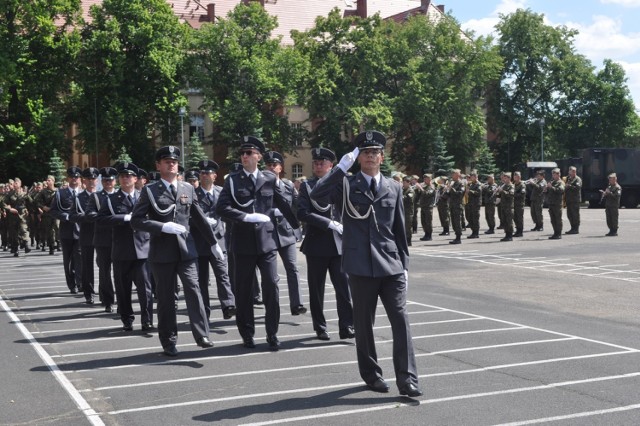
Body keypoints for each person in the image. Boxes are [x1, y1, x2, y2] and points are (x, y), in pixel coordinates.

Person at [311, 130, 422, 398]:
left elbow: (399, 231)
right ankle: (371, 375)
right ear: (358, 157)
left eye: (375, 152)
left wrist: (404, 266)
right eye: (365, 152)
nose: (371, 156)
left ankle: (407, 380)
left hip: (391, 264)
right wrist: (340, 168)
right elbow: (317, 195)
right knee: (363, 323)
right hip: (360, 265)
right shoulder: (346, 184)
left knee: (400, 320)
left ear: (382, 157)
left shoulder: (393, 187)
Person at [131, 146, 224, 356]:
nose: (171, 164)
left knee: (194, 289)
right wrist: (162, 227)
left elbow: (199, 218)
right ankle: (169, 341)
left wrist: (213, 243)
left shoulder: (187, 189)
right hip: (162, 253)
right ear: (158, 165)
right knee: (166, 299)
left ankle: (202, 334)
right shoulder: (150, 190)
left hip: (186, 251)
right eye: (166, 161)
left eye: (173, 161)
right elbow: (136, 221)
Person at [216, 136, 300, 350]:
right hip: (243, 243)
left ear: (258, 156)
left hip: (267, 242)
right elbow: (222, 208)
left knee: (271, 285)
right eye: (242, 153)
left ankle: (272, 332)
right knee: (244, 291)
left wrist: (297, 224)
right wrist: (244, 217)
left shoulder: (269, 178)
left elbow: (282, 202)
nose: (244, 156)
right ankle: (247, 333)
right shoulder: (233, 180)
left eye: (249, 153)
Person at [297, 147, 354, 341]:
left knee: (343, 288)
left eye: (322, 163)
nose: (318, 166)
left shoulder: (341, 183)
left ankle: (347, 325)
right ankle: (320, 327)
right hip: (316, 244)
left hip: (339, 244)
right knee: (317, 290)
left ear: (332, 166)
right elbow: (302, 213)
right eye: (315, 163)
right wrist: (328, 223)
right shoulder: (307, 186)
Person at [98, 162, 154, 331]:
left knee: (145, 289)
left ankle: (147, 319)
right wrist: (123, 218)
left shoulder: (144, 196)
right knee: (123, 289)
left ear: (136, 179)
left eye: (128, 176)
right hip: (122, 250)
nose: (125, 179)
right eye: (122, 176)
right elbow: (100, 220)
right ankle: (127, 319)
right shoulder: (111, 199)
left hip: (143, 250)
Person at [263, 151, 308, 315]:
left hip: (286, 233)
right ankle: (273, 307)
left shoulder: (288, 185)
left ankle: (297, 304)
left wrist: (298, 222)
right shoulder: (260, 185)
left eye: (274, 165)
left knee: (292, 269)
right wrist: (272, 212)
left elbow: (297, 204)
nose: (271, 168)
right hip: (268, 235)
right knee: (271, 274)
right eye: (268, 165)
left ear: (280, 168)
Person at [193, 159, 236, 321]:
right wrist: (202, 221)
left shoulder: (221, 192)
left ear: (214, 176)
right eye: (202, 173)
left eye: (208, 173)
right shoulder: (193, 194)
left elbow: (228, 211)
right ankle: (205, 311)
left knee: (223, 274)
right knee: (202, 280)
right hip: (200, 242)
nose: (205, 175)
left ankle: (228, 305)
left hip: (218, 241)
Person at [85, 167, 118, 312]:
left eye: (110, 180)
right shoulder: (96, 197)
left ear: (115, 181)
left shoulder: (119, 195)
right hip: (103, 239)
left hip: (119, 239)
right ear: (101, 182)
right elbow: (89, 214)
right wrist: (104, 218)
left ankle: (121, 299)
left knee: (120, 272)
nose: (108, 183)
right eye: (105, 180)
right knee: (105, 272)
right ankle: (108, 300)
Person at [49, 167, 83, 294]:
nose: (74, 179)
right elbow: (53, 211)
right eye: (72, 177)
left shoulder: (84, 193)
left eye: (76, 177)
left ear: (80, 179)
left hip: (81, 231)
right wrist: (66, 216)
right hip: (67, 231)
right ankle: (71, 284)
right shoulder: (60, 193)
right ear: (68, 178)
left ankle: (80, 282)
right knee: (68, 260)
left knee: (80, 259)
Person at [69, 167, 100, 304]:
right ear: (84, 181)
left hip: (102, 234)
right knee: (87, 266)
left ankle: (106, 293)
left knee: (105, 266)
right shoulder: (78, 198)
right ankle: (89, 293)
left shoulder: (103, 195)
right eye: (88, 179)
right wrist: (87, 217)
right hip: (87, 234)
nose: (91, 181)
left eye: (93, 179)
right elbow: (72, 216)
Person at [34, 176, 58, 254]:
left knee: (57, 227)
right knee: (49, 231)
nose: (47, 182)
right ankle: (51, 247)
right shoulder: (43, 192)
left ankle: (59, 243)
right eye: (47, 180)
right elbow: (36, 201)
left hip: (57, 213)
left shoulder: (58, 191)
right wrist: (43, 207)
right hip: (47, 214)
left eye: (49, 180)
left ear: (53, 181)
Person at [447, 169, 465, 244]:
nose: (452, 176)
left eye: (453, 174)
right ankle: (456, 236)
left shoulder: (461, 184)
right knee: (454, 222)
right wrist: (447, 190)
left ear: (457, 175)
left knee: (457, 222)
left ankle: (458, 238)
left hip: (458, 205)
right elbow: (450, 195)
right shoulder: (453, 183)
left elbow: (460, 194)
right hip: (452, 205)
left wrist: (452, 189)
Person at [546, 168, 565, 240]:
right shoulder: (552, 182)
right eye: (552, 174)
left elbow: (560, 190)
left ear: (558, 174)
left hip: (557, 203)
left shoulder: (561, 182)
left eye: (554, 174)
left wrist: (552, 187)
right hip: (551, 203)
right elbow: (549, 192)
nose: (553, 176)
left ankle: (559, 233)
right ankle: (555, 233)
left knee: (558, 219)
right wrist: (546, 189)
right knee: (552, 219)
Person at [496, 172, 515, 241]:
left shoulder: (511, 186)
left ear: (509, 178)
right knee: (504, 221)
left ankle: (510, 236)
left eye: (506, 178)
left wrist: (503, 191)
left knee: (509, 221)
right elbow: (500, 195)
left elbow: (511, 194)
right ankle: (506, 234)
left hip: (509, 207)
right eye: (504, 178)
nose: (504, 179)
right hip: (503, 206)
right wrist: (498, 192)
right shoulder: (504, 185)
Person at [564, 166, 582, 234]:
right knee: (569, 215)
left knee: (575, 215)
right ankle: (572, 227)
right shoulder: (568, 179)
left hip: (575, 200)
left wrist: (569, 186)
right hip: (569, 200)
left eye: (574, 171)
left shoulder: (577, 179)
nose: (573, 173)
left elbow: (578, 187)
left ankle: (576, 228)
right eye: (571, 171)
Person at [419, 173, 436, 241]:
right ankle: (426, 234)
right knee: (423, 222)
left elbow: (428, 194)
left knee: (428, 222)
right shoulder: (424, 186)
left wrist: (421, 188)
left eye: (426, 178)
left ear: (430, 179)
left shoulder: (432, 186)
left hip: (428, 207)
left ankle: (429, 235)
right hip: (423, 206)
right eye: (424, 178)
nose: (424, 180)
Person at [466, 171, 482, 239]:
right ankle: (473, 232)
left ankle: (476, 233)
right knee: (471, 218)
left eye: (472, 177)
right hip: (471, 203)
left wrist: (470, 191)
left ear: (475, 177)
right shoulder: (471, 184)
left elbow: (478, 192)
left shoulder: (478, 184)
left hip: (476, 204)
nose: (471, 178)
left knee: (475, 219)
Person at [401, 175, 415, 246]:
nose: (403, 184)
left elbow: (408, 198)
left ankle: (409, 241)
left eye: (404, 182)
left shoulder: (411, 190)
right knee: (403, 227)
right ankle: (404, 240)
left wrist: (400, 196)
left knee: (408, 227)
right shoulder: (403, 190)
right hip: (403, 211)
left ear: (408, 183)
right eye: (403, 182)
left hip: (408, 212)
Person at [512, 171, 527, 237]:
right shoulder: (513, 184)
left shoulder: (522, 185)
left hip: (519, 204)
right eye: (515, 176)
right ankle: (517, 230)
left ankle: (520, 232)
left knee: (519, 218)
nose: (516, 178)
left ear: (520, 177)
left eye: (517, 176)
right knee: (515, 218)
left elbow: (522, 194)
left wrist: (513, 194)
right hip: (514, 204)